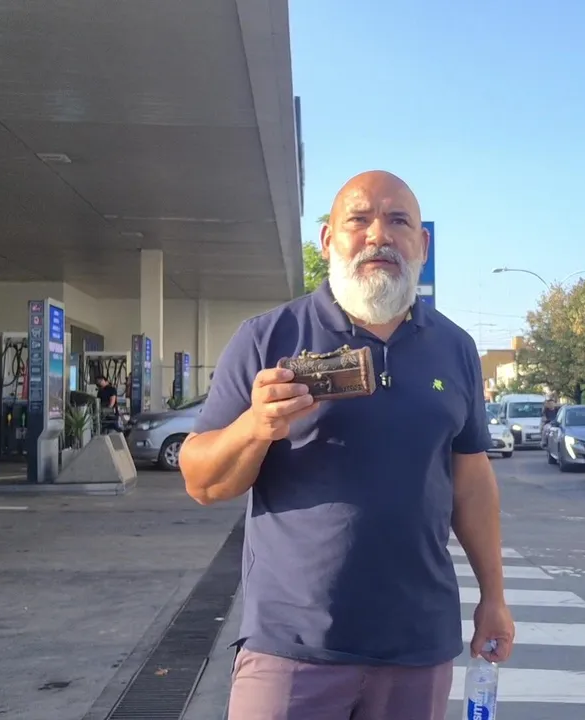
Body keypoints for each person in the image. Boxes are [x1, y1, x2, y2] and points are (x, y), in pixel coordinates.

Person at [179, 170, 514, 720]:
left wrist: (494, 597)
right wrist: (255, 426)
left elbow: (472, 482)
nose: (378, 235)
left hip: (417, 648)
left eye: (398, 221)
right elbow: (202, 482)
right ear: (328, 240)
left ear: (422, 245)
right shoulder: (268, 338)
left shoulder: (455, 348)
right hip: (292, 647)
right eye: (359, 219)